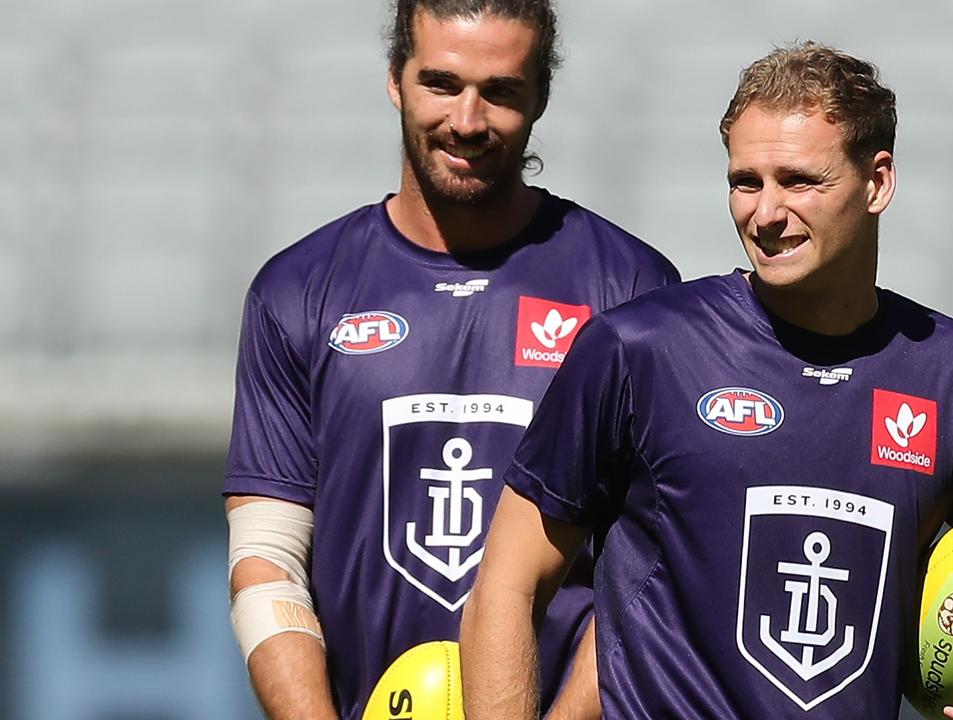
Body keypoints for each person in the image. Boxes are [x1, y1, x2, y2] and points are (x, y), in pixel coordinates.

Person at [460, 42, 953, 719]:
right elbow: (507, 584)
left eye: (799, 181)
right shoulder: (639, 349)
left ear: (878, 182)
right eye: (746, 182)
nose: (765, 213)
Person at [222, 1, 679, 718]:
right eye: (441, 83)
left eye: (500, 92)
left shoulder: (629, 291)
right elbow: (267, 563)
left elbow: (652, 571)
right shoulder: (297, 292)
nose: (467, 121)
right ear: (395, 80)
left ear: (542, 98)